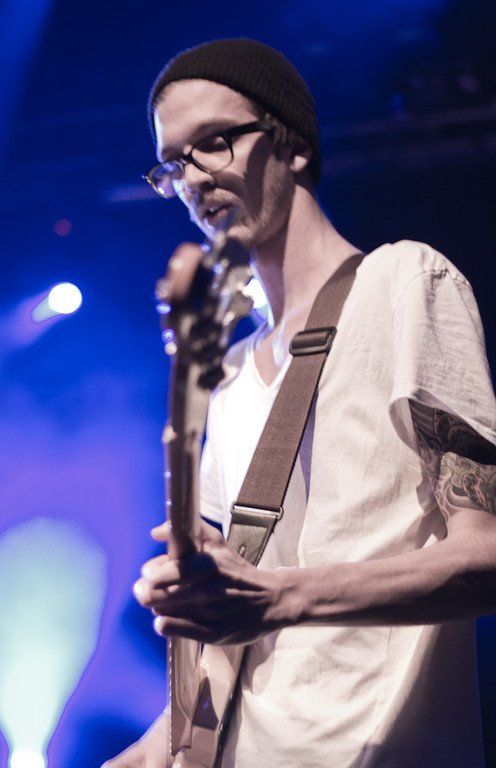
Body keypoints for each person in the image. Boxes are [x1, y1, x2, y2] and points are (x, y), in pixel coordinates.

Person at [104, 38, 496, 768]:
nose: (194, 179)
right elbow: (232, 645)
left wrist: (281, 597)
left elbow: (488, 552)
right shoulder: (225, 374)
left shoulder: (404, 282)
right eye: (173, 164)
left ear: (292, 144)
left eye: (214, 142)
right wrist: (152, 751)